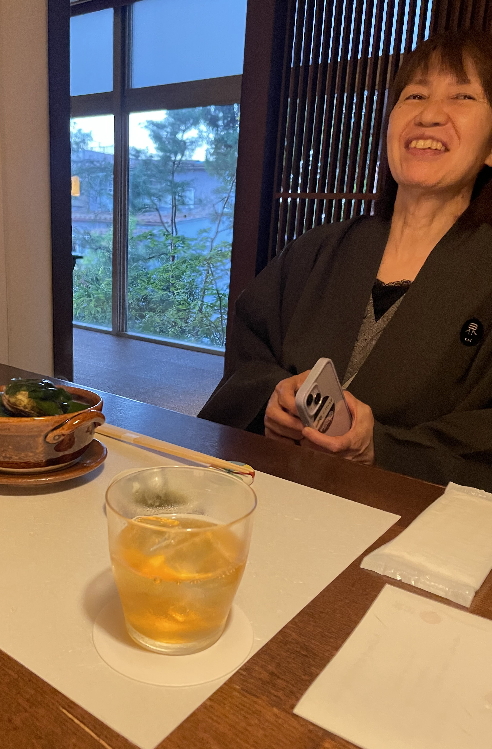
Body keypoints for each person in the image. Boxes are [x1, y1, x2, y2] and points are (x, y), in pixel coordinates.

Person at [199, 30, 492, 491]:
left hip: (406, 518)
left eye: (463, 96)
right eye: (414, 95)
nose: (430, 114)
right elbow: (248, 355)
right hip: (279, 492)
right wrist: (271, 400)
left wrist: (382, 449)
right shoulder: (319, 249)